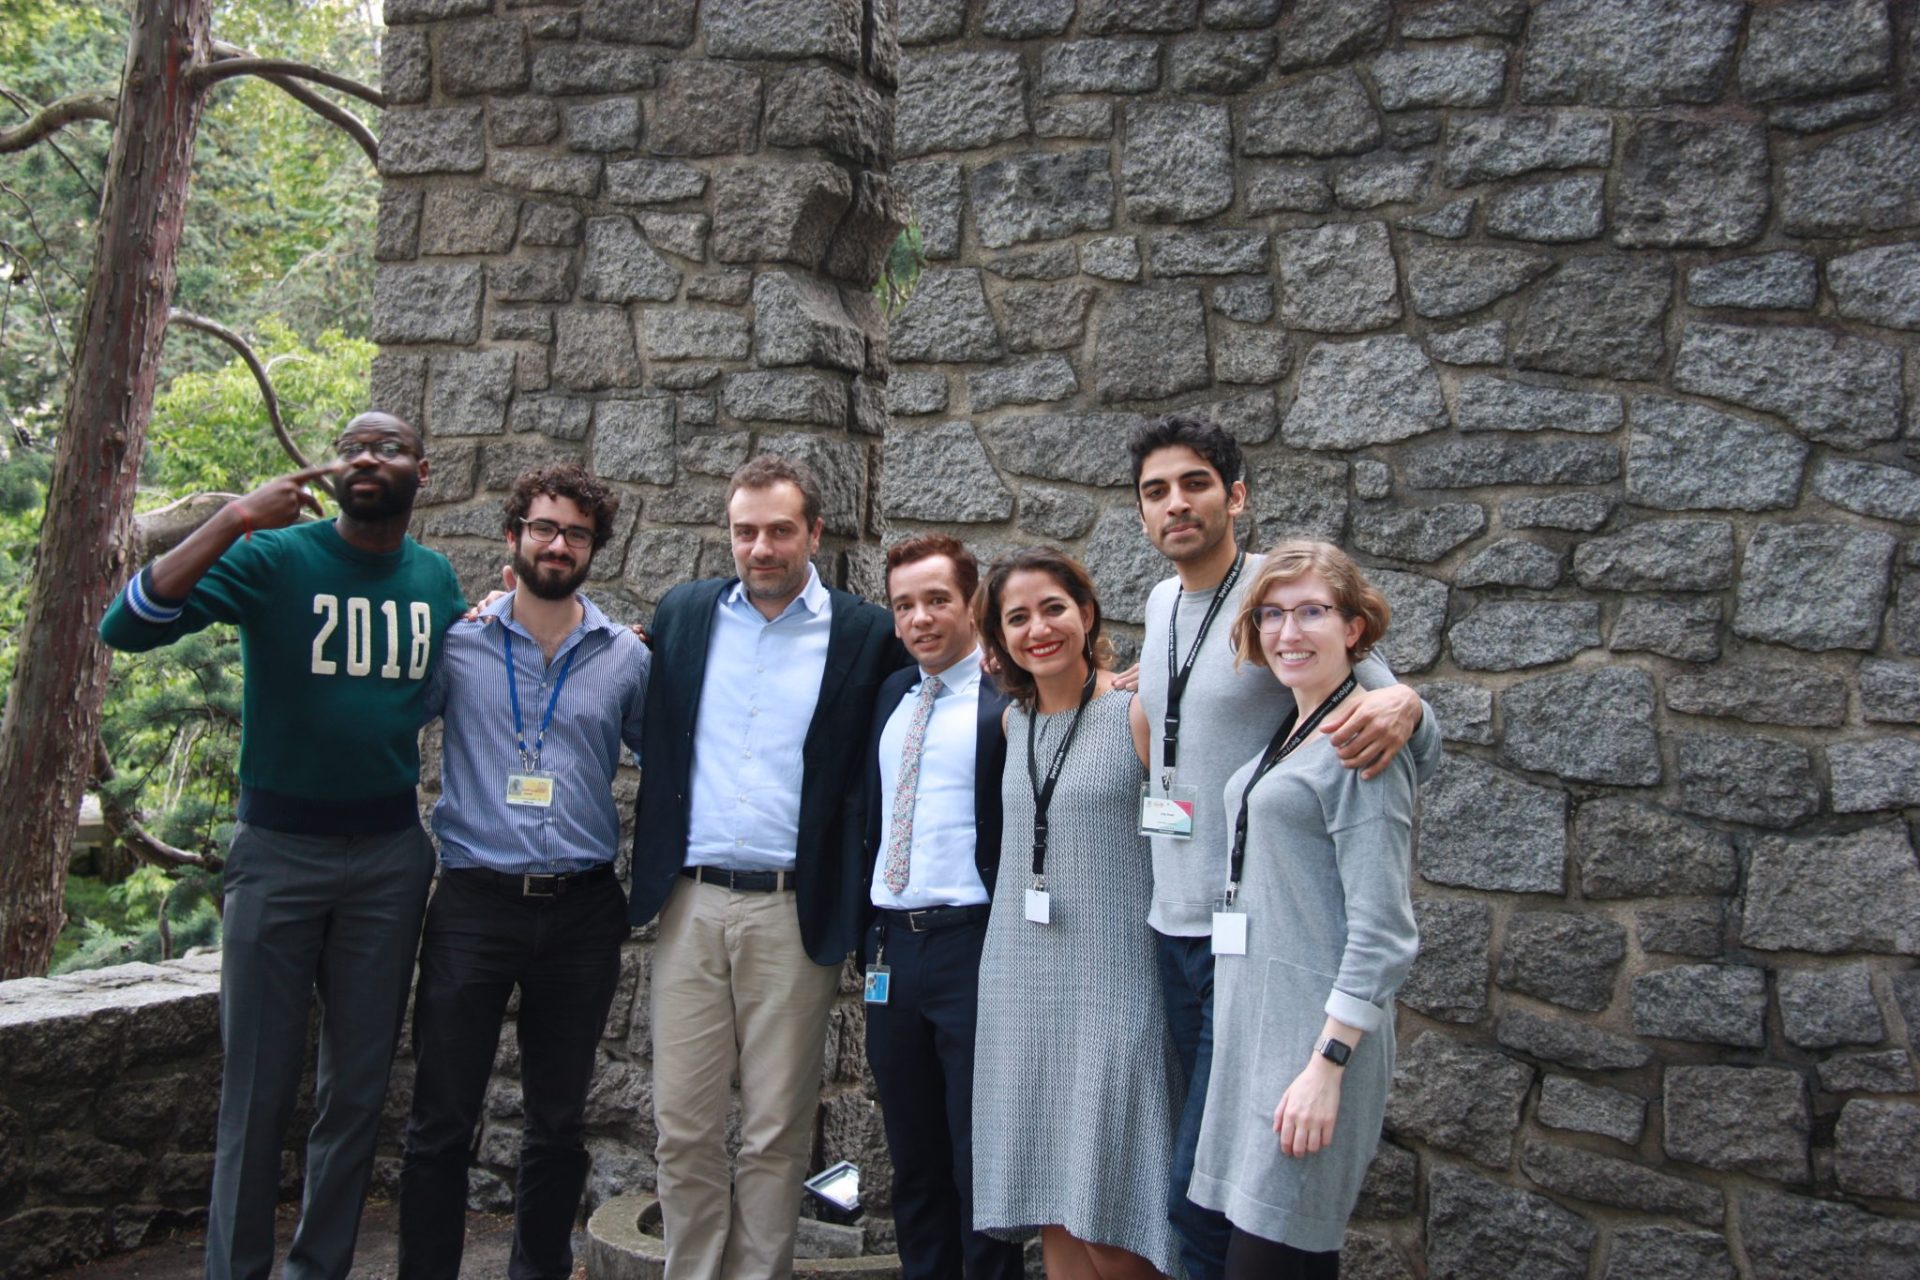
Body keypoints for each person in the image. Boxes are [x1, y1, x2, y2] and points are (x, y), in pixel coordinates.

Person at [98, 412, 465, 1280]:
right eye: (353, 446)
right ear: (332, 470)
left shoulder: (434, 578)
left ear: (423, 471)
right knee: (257, 1089)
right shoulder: (272, 558)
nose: (366, 457)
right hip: (279, 853)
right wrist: (232, 519)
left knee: (357, 1090)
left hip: (389, 857)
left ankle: (319, 1268)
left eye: (388, 448)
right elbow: (128, 623)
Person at [1124, 414, 1438, 1280]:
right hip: (1175, 928)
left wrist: (1410, 704)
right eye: (1156, 491)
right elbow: (1169, 719)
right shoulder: (1160, 605)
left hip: (1257, 947)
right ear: (1141, 512)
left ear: (1236, 497)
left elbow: (1386, 720)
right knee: (1213, 1179)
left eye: (1195, 484)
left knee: (1211, 1201)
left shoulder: (1282, 598)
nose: (1176, 504)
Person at [627, 455, 910, 1280]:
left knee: (775, 1130)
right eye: (745, 531)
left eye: (780, 530)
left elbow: (938, 690)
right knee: (683, 1125)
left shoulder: (865, 633)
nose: (760, 548)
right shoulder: (683, 613)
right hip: (690, 902)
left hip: (794, 910)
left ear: (814, 533)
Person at [398, 464, 649, 1280]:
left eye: (577, 533)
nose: (558, 544)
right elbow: (390, 722)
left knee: (559, 1123)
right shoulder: (458, 644)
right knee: (441, 1118)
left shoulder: (625, 658)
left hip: (581, 911)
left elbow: (675, 756)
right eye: (544, 527)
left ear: (595, 549)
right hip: (474, 903)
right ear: (513, 537)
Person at [1190, 541, 1423, 1279]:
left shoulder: (1361, 745)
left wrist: (1328, 1064)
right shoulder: (1291, 730)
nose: (1288, 632)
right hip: (1254, 1037)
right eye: (1271, 615)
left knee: (1271, 1260)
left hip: (1313, 1051)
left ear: (1354, 628)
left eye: (1311, 612)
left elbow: (1384, 932)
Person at [970, 547, 1179, 1280]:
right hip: (1022, 982)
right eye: (1017, 618)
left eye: (1053, 608)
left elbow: (1185, 831)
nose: (1039, 629)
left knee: (1114, 1212)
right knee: (1052, 1198)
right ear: (1000, 639)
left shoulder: (1136, 713)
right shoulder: (1012, 726)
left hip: (1117, 979)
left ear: (1086, 614)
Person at [860, 535, 1025, 1280]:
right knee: (914, 1158)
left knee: (977, 1158)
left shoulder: (1010, 699)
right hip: (892, 953)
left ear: (971, 604)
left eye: (936, 600)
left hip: (972, 948)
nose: (919, 619)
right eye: (904, 606)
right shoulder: (892, 695)